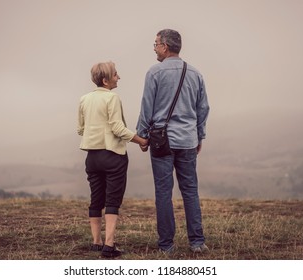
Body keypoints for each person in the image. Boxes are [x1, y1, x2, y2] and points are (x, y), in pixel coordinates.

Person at [136, 29, 210, 253]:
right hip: (188, 139)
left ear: (165, 46)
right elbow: (203, 108)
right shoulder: (195, 73)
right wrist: (199, 135)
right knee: (190, 191)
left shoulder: (155, 72)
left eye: (156, 44)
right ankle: (197, 242)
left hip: (162, 141)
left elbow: (147, 107)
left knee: (163, 192)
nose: (154, 47)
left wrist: (142, 135)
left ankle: (167, 245)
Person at [77, 61, 148, 258]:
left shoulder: (84, 99)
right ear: (105, 80)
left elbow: (80, 129)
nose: (119, 77)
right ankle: (109, 245)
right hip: (113, 156)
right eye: (116, 75)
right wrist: (141, 140)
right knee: (112, 201)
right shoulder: (112, 98)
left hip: (92, 157)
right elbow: (117, 128)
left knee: (96, 199)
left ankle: (96, 242)